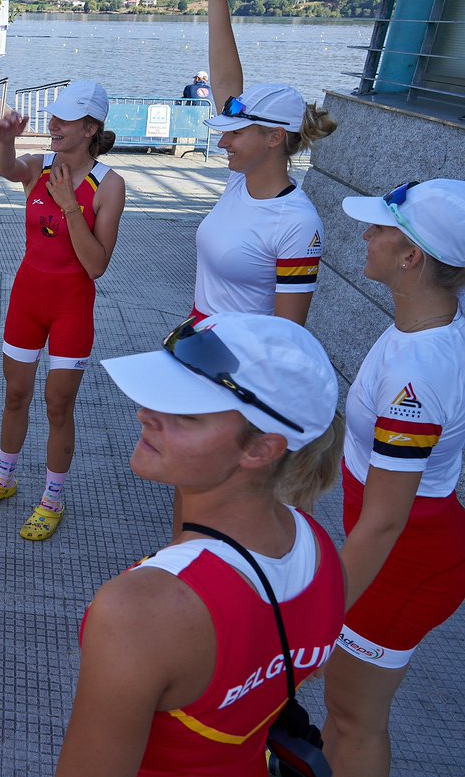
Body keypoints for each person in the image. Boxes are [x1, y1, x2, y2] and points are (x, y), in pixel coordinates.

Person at [55, 312, 346, 776]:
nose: (145, 413)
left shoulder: (138, 611)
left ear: (261, 449)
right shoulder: (318, 550)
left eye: (185, 413)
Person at [323, 180, 465, 777]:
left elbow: (384, 521)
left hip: (405, 558)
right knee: (342, 713)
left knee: (354, 718)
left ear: (412, 257)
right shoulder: (430, 320)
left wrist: (320, 608)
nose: (365, 236)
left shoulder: (417, 376)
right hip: (399, 540)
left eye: (380, 229)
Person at [0, 81, 126, 541]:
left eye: (65, 120)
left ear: (91, 128)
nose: (53, 125)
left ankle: (51, 500)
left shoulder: (109, 185)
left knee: (59, 404)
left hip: (72, 306)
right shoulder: (40, 166)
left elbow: (96, 266)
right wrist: (5, 140)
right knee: (15, 395)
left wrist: (72, 208)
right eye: (53, 118)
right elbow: (6, 168)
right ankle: (4, 479)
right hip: (26, 299)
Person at [194, 0, 337, 326]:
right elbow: (225, 83)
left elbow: (287, 332)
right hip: (198, 337)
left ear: (274, 138)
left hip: (239, 359)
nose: (223, 142)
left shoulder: (297, 223)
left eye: (236, 133)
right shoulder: (240, 182)